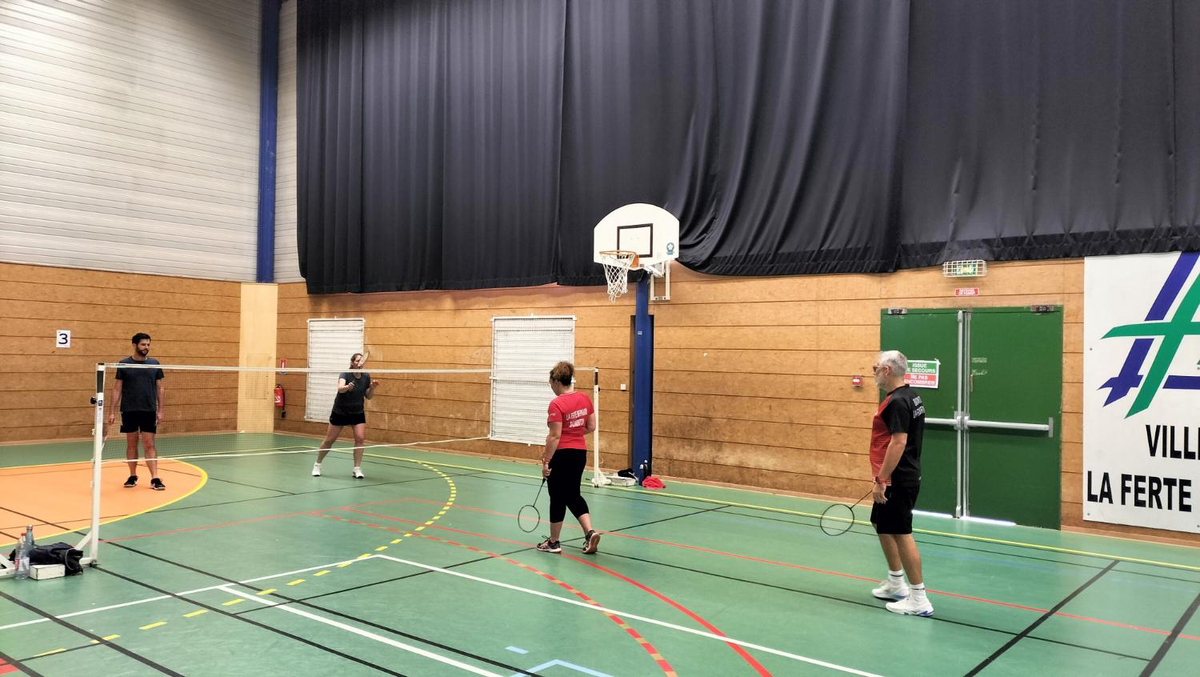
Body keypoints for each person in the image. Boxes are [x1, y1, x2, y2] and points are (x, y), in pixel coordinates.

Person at [868, 350, 931, 616]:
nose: (873, 373)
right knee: (880, 523)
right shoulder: (910, 395)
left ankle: (919, 599)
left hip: (897, 478)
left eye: (875, 368)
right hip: (897, 475)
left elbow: (898, 442)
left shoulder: (897, 401)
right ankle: (896, 582)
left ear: (887, 370)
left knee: (902, 533)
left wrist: (882, 479)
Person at [537, 361, 602, 555]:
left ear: (557, 381)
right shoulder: (584, 398)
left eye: (551, 383)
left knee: (557, 497)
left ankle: (554, 542)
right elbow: (591, 426)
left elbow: (554, 436)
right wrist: (574, 431)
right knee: (573, 494)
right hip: (579, 454)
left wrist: (546, 461)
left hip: (562, 455)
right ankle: (590, 532)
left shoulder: (556, 404)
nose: (551, 386)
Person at [108, 333, 166, 490]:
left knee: (149, 444)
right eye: (143, 344)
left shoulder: (154, 364)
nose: (146, 347)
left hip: (148, 410)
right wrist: (111, 411)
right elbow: (117, 389)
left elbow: (160, 388)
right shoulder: (124, 364)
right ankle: (132, 475)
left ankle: (155, 478)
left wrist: (160, 410)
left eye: (148, 345)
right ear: (134, 345)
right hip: (129, 410)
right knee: (131, 444)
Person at [312, 353, 378, 479]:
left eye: (361, 360)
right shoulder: (345, 374)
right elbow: (340, 389)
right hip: (340, 411)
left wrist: (372, 388)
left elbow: (368, 396)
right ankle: (317, 464)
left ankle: (357, 469)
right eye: (357, 360)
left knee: (360, 438)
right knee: (329, 440)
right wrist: (348, 387)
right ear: (352, 362)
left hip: (357, 412)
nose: (359, 363)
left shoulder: (366, 376)